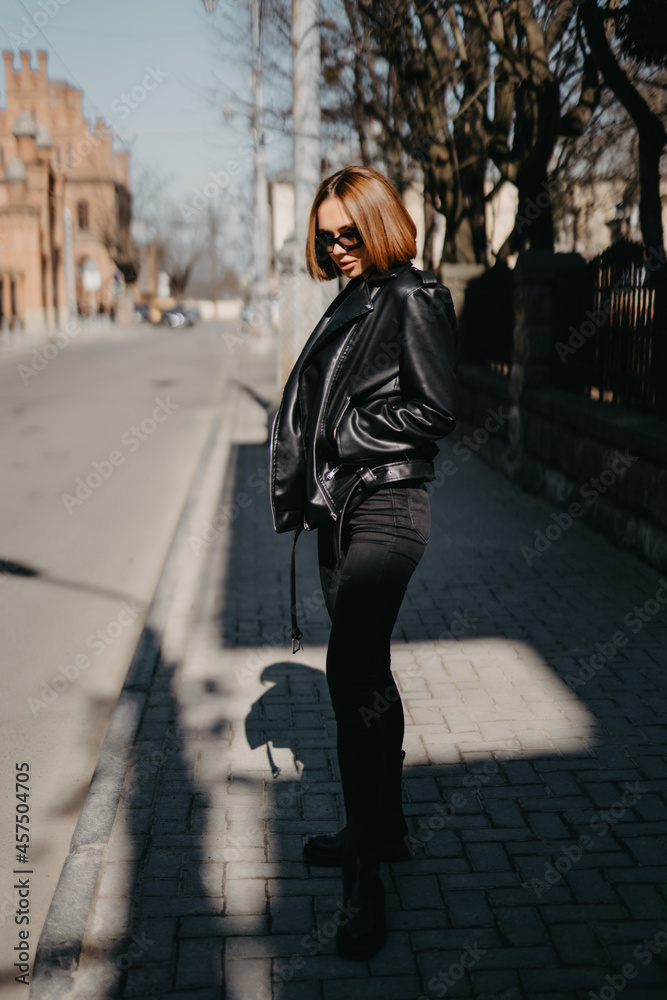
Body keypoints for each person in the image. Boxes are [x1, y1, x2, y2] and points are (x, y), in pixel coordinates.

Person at [269, 164, 457, 960]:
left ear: (379, 223)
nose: (339, 247)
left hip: (386, 507)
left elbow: (436, 407)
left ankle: (364, 875)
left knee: (348, 675)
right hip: (342, 515)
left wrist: (344, 441)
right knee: (368, 676)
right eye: (326, 236)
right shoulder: (353, 296)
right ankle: (382, 828)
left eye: (350, 232)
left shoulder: (410, 294)